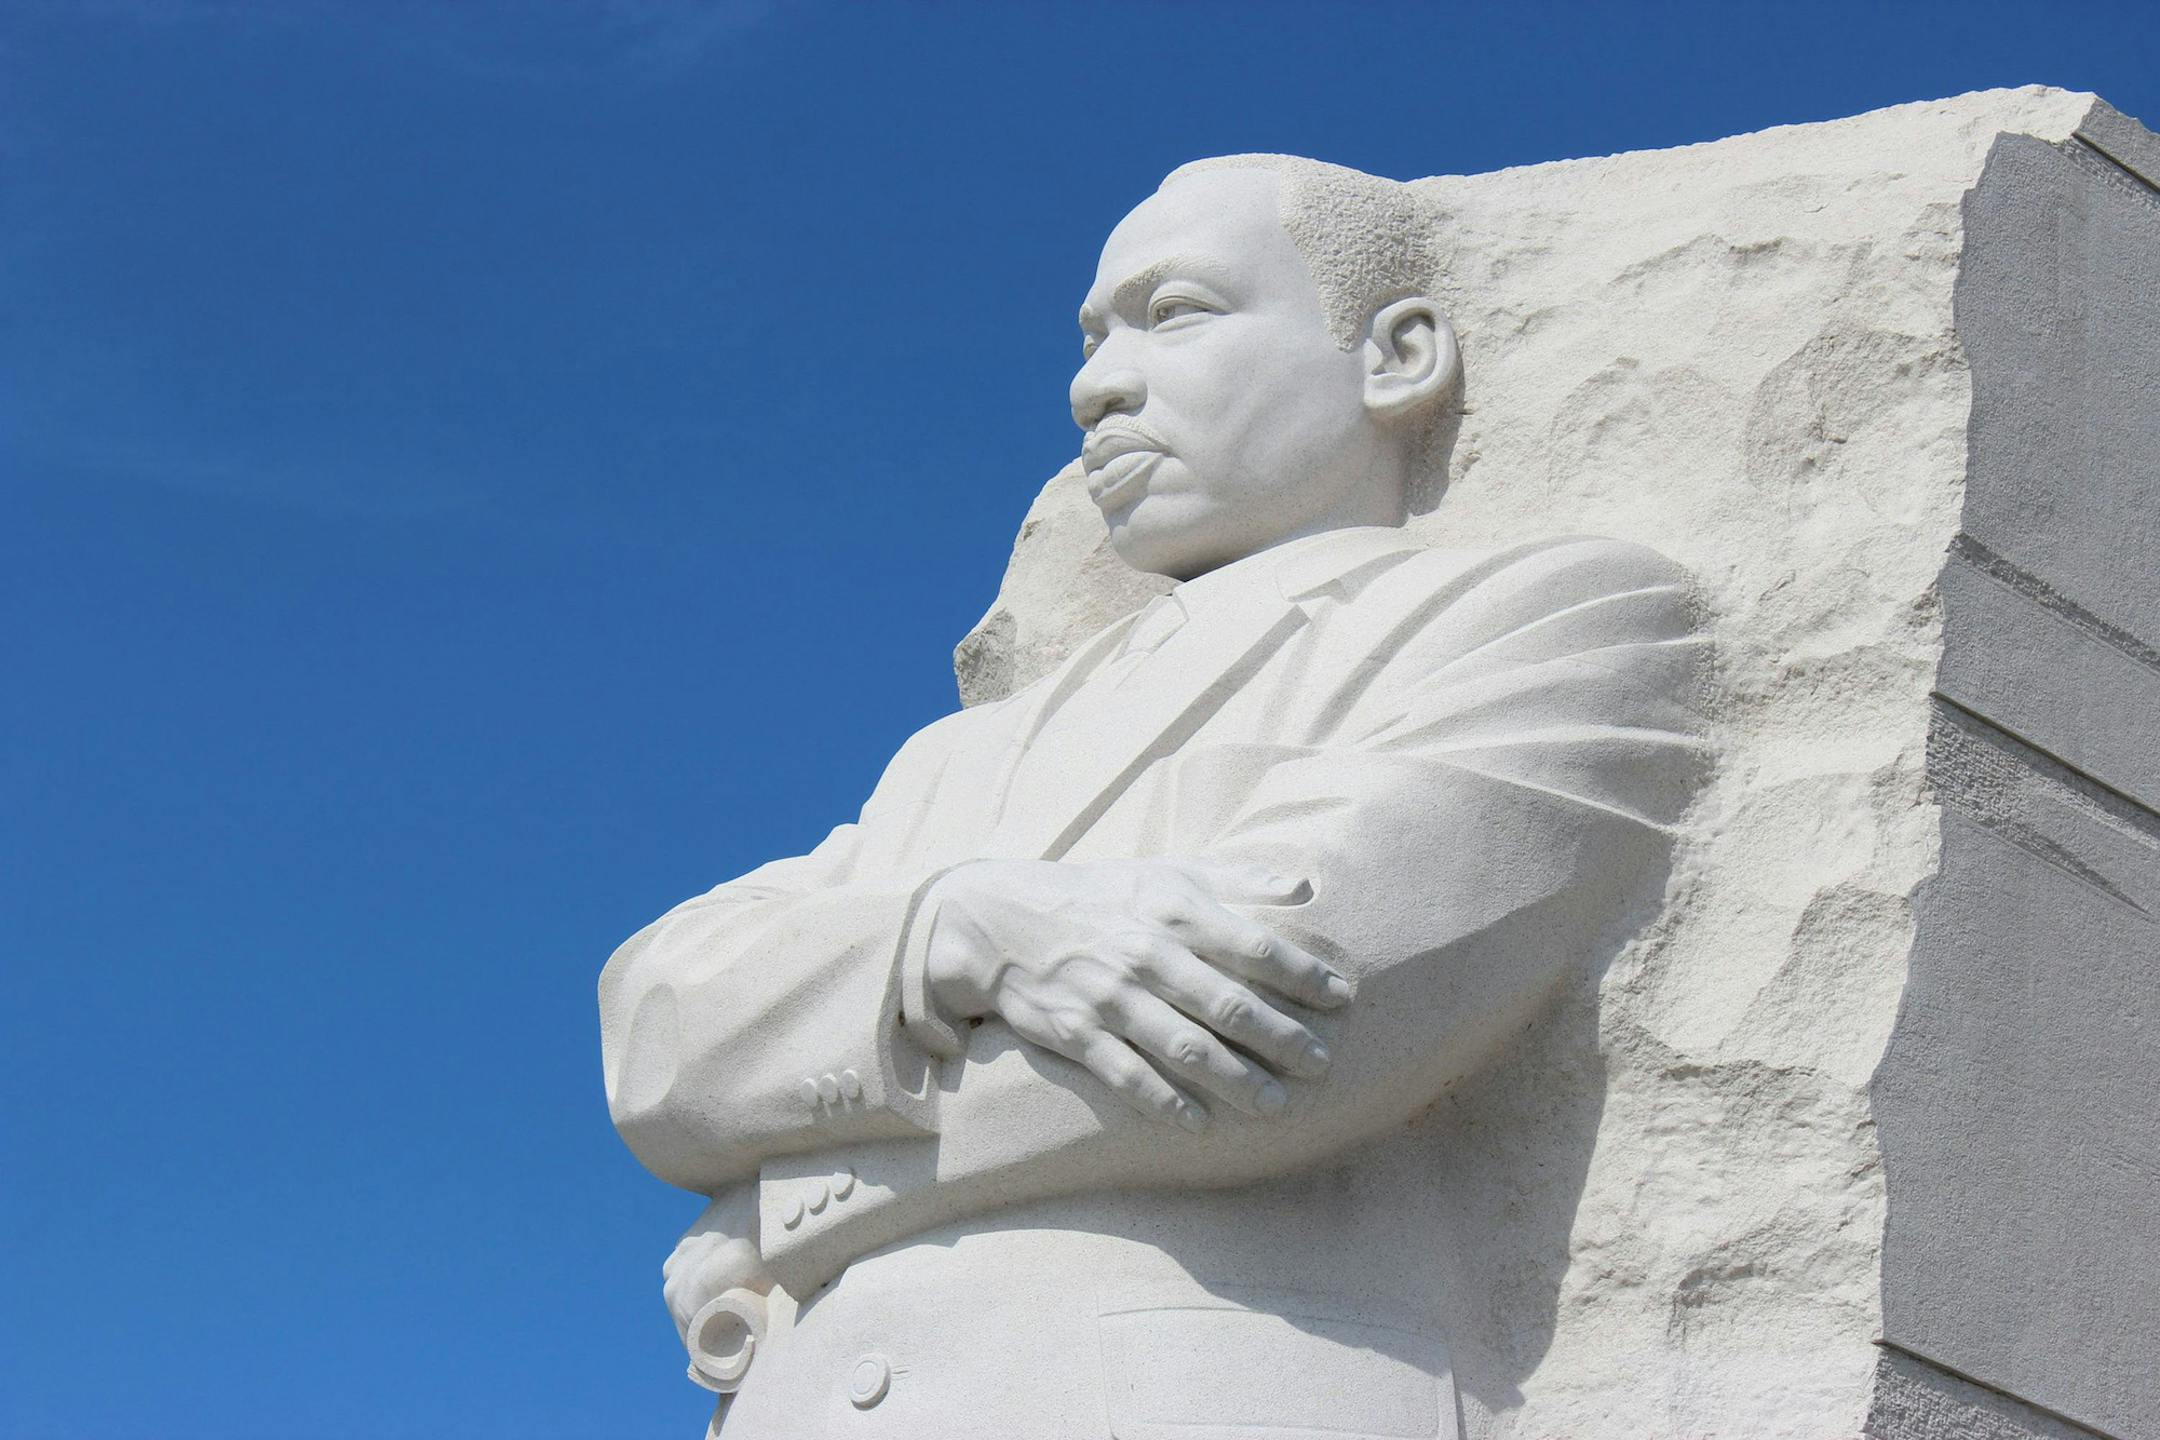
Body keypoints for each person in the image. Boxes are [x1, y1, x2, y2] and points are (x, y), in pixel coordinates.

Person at [600, 154, 1710, 1438]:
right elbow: (658, 1026)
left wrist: (775, 1203)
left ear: (1397, 356)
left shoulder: (1546, 618)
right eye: (1090, 338)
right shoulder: (951, 762)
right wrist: (951, 929)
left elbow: (1279, 1023)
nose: (1095, 383)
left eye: (1175, 312)